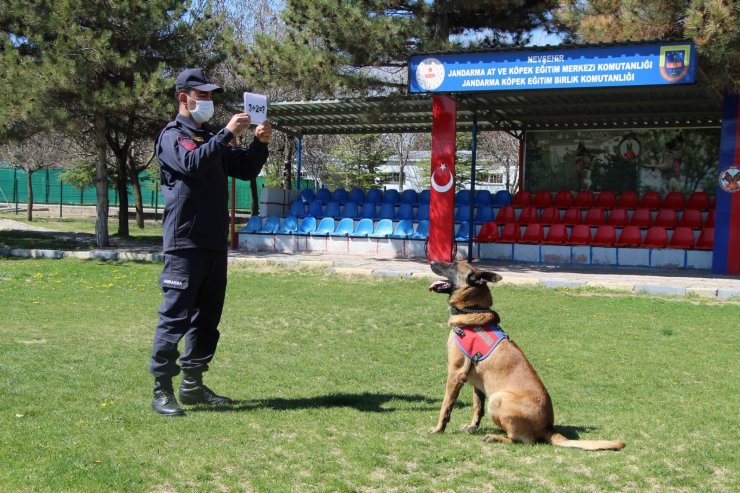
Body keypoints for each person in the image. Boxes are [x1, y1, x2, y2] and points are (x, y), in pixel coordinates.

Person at [149, 68, 272, 416]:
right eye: (201, 95)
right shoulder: (173, 136)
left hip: (214, 244)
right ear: (183, 98)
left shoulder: (211, 138)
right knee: (174, 318)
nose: (207, 101)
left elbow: (245, 168)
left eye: (210, 95)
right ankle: (162, 389)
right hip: (184, 244)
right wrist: (226, 134)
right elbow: (190, 165)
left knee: (207, 320)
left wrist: (259, 144)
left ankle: (193, 385)